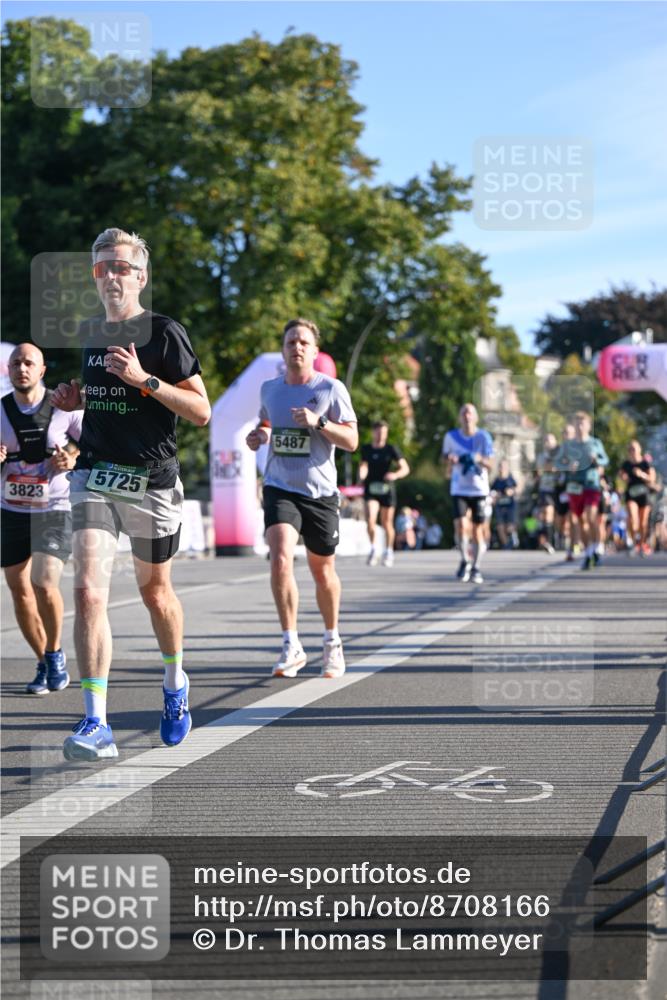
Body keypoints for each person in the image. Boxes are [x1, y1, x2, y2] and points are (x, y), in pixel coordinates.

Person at [51, 228, 211, 761]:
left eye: (120, 267)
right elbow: (97, 397)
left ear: (140, 275)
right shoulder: (90, 332)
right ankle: (96, 722)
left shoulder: (165, 333)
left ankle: (174, 683)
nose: (111, 276)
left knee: (154, 594)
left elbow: (201, 410)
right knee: (89, 593)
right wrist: (75, 399)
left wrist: (146, 380)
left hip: (151, 482)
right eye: (101, 268)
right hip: (95, 473)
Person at [246, 318, 358, 680]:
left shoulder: (330, 389)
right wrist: (258, 436)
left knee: (322, 571)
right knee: (279, 557)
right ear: (283, 349)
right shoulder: (269, 389)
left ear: (314, 351)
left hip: (321, 493)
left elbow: (352, 441)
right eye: (291, 341)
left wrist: (318, 422)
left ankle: (331, 640)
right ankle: (291, 643)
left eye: (304, 342)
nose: (297, 347)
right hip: (280, 486)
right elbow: (266, 423)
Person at [1, 343, 82, 694]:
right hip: (11, 510)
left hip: (55, 507)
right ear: (8, 369)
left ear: (42, 370)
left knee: (44, 582)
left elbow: (92, 444)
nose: (22, 368)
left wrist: (73, 458)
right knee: (20, 592)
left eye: (28, 362)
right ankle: (43, 660)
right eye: (16, 362)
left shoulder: (63, 408)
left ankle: (54, 652)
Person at [442, 403, 494, 584]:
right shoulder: (451, 437)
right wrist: (451, 461)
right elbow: (446, 464)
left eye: (470, 412)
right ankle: (465, 560)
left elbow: (491, 464)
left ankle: (477, 567)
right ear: (459, 417)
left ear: (476, 417)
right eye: (463, 412)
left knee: (477, 530)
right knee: (461, 526)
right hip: (459, 488)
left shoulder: (483, 437)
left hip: (479, 489)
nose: (466, 416)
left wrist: (479, 459)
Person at [553, 411, 609, 571]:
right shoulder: (568, 445)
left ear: (588, 426)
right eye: (577, 423)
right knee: (579, 521)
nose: (579, 426)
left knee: (590, 516)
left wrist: (596, 459)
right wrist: (567, 466)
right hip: (575, 486)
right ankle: (589, 553)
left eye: (582, 423)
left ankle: (598, 546)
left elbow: (605, 459)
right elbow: (557, 462)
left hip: (591, 484)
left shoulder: (595, 443)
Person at [358, 420, 410, 567]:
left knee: (387, 522)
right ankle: (374, 549)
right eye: (378, 432)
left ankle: (388, 551)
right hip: (371, 488)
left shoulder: (391, 449)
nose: (381, 435)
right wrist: (362, 475)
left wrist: (395, 475)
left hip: (386, 489)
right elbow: (363, 466)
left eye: (384, 432)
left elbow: (405, 468)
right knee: (371, 521)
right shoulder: (367, 449)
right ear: (373, 432)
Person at [620, 440, 656, 556]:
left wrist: (641, 474)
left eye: (634, 448)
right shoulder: (626, 464)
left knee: (643, 522)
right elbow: (621, 475)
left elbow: (652, 478)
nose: (633, 451)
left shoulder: (645, 463)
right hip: (631, 494)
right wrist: (624, 477)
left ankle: (642, 544)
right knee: (633, 517)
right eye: (630, 449)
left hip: (644, 494)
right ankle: (635, 542)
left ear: (640, 449)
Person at [490, 459, 518, 550]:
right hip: (499, 506)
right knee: (500, 526)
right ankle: (506, 545)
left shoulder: (510, 479)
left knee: (510, 526)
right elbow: (491, 493)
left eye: (504, 466)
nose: (502, 469)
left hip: (510, 506)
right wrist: (495, 496)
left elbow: (517, 489)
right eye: (501, 466)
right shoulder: (496, 481)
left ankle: (513, 536)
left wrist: (511, 491)